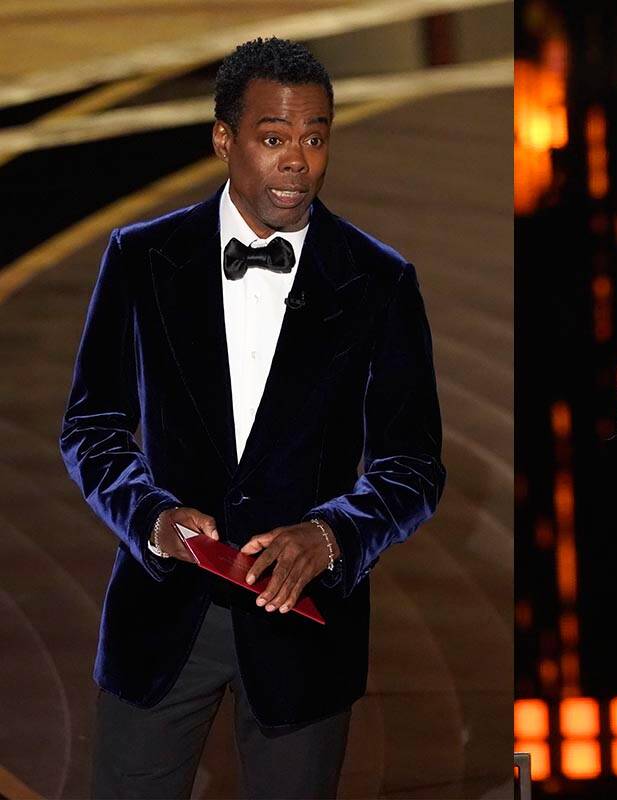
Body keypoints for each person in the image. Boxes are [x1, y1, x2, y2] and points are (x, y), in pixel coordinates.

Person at [60, 37, 445, 799]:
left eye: (314, 137)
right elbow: (92, 426)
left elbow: (413, 465)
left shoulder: (379, 280)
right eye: (273, 139)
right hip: (163, 611)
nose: (297, 160)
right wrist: (153, 518)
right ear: (224, 140)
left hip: (301, 629)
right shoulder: (142, 257)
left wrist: (332, 535)